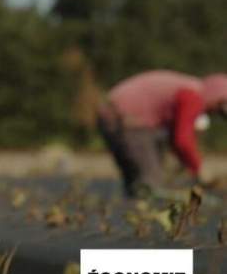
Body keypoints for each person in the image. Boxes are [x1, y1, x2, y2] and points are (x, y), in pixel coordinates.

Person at [97, 70, 227, 197]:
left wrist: (187, 164)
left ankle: (131, 208)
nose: (214, 113)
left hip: (112, 114)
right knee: (150, 183)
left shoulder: (190, 87)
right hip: (127, 119)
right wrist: (198, 169)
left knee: (135, 183)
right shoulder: (193, 96)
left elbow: (175, 137)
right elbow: (182, 139)